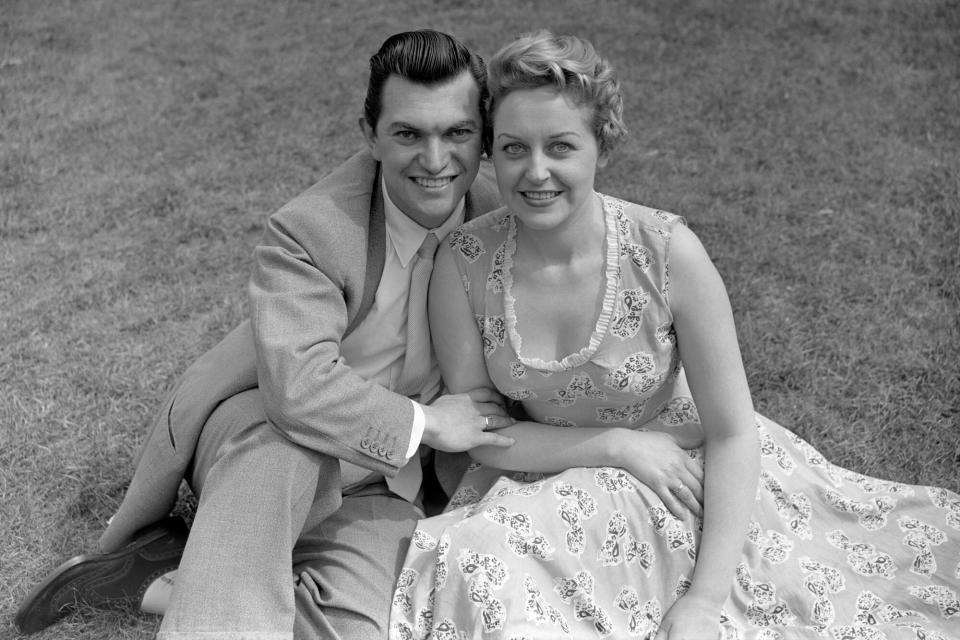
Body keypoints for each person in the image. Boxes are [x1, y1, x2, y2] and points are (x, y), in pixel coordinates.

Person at [388, 31, 960, 640]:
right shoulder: (466, 261)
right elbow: (484, 433)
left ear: (600, 147)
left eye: (560, 146)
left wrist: (706, 601)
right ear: (490, 156)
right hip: (544, 474)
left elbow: (735, 431)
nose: (536, 172)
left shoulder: (667, 252)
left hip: (687, 478)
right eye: (513, 148)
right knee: (485, 569)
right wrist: (616, 445)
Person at [15, 29, 524, 640]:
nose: (437, 160)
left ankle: (160, 584)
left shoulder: (505, 217)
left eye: (458, 133)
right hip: (266, 436)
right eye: (409, 133)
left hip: (383, 485)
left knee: (361, 628)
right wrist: (430, 424)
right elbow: (298, 390)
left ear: (484, 136)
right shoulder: (310, 229)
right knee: (287, 448)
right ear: (370, 134)